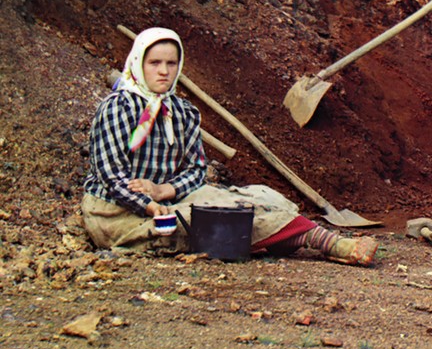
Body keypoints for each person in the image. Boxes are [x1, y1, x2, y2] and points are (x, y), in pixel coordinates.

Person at [82, 28, 377, 264]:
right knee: (208, 220)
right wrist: (149, 205)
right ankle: (319, 240)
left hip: (164, 199)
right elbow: (110, 176)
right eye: (154, 63)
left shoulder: (182, 112)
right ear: (139, 63)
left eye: (171, 63)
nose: (163, 71)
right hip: (118, 212)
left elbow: (196, 170)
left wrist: (162, 191)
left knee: (259, 196)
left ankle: (290, 233)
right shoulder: (118, 108)